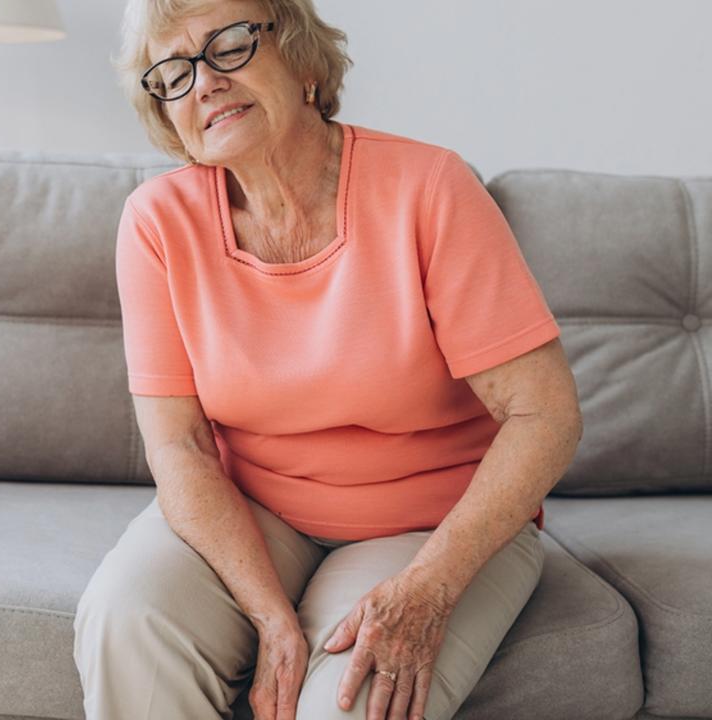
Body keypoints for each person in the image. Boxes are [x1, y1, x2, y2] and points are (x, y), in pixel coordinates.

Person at [73, 1, 584, 719]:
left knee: (348, 706)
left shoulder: (429, 188)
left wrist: (427, 588)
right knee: (129, 617)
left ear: (302, 57)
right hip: (253, 514)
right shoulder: (158, 223)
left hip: (428, 526)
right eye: (173, 72)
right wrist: (271, 617)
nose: (205, 83)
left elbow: (545, 414)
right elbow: (180, 446)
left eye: (229, 46)